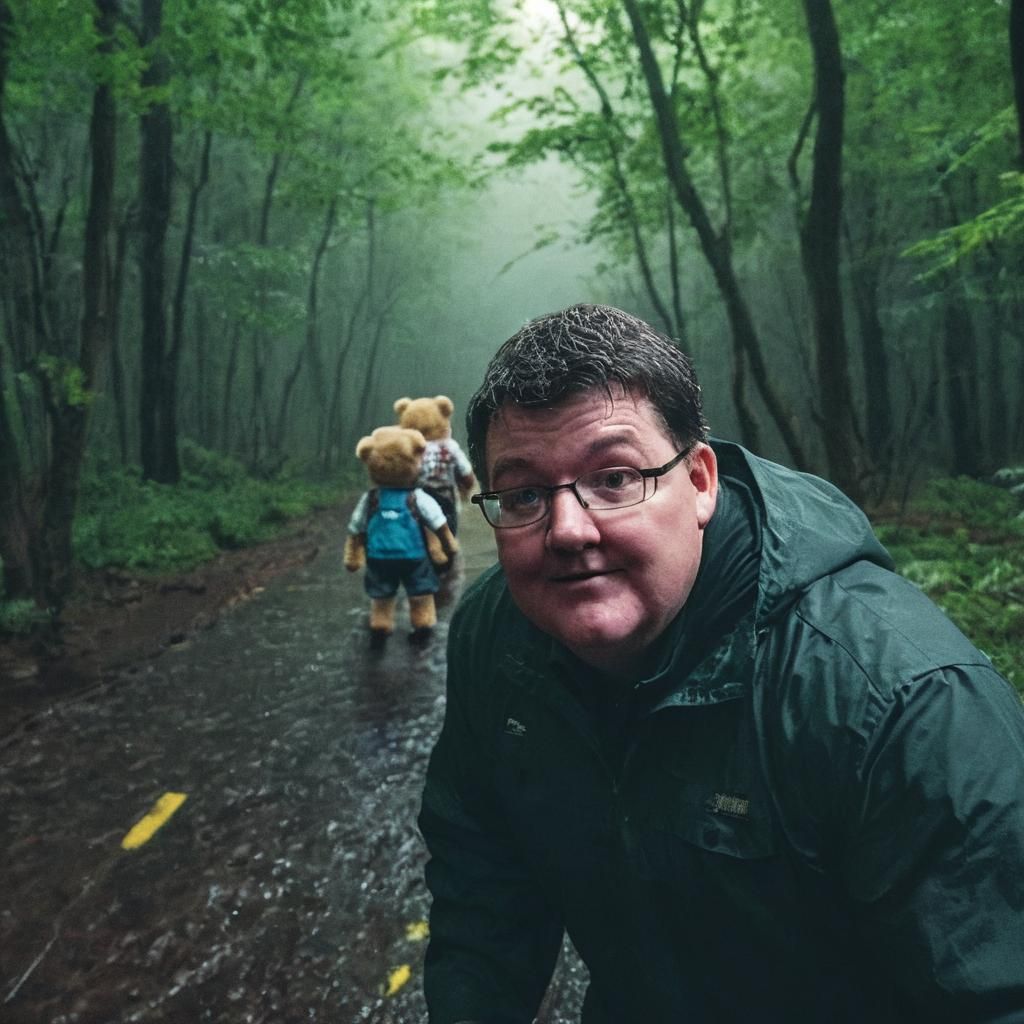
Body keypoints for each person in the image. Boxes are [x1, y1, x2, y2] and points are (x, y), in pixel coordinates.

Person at [417, 303, 1024, 1023]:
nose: (569, 530)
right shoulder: (497, 636)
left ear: (700, 481)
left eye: (614, 479)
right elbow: (484, 887)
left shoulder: (898, 703)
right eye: (523, 495)